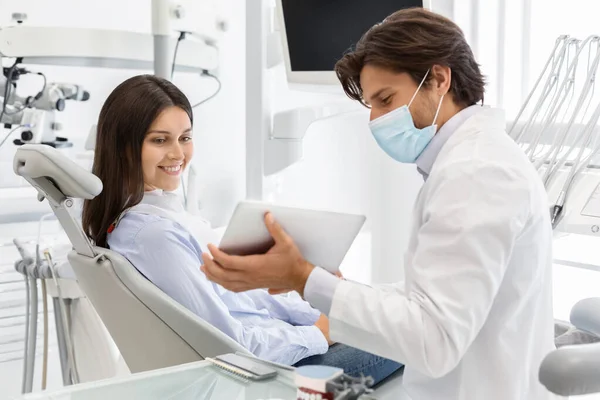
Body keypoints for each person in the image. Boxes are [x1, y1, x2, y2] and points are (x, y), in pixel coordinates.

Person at [200, 8, 559, 400]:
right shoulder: (467, 161)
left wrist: (304, 279)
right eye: (370, 105)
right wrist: (325, 286)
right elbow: (430, 297)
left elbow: (433, 339)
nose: (375, 119)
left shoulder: (474, 172)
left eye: (385, 99)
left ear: (439, 78)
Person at [81, 74, 402, 385]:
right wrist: (320, 333)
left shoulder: (148, 219)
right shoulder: (153, 235)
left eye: (185, 137)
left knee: (395, 308)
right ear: (124, 146)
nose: (178, 154)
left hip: (275, 352)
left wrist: (320, 310)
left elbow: (244, 302)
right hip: (270, 375)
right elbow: (231, 344)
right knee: (417, 331)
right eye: (160, 140)